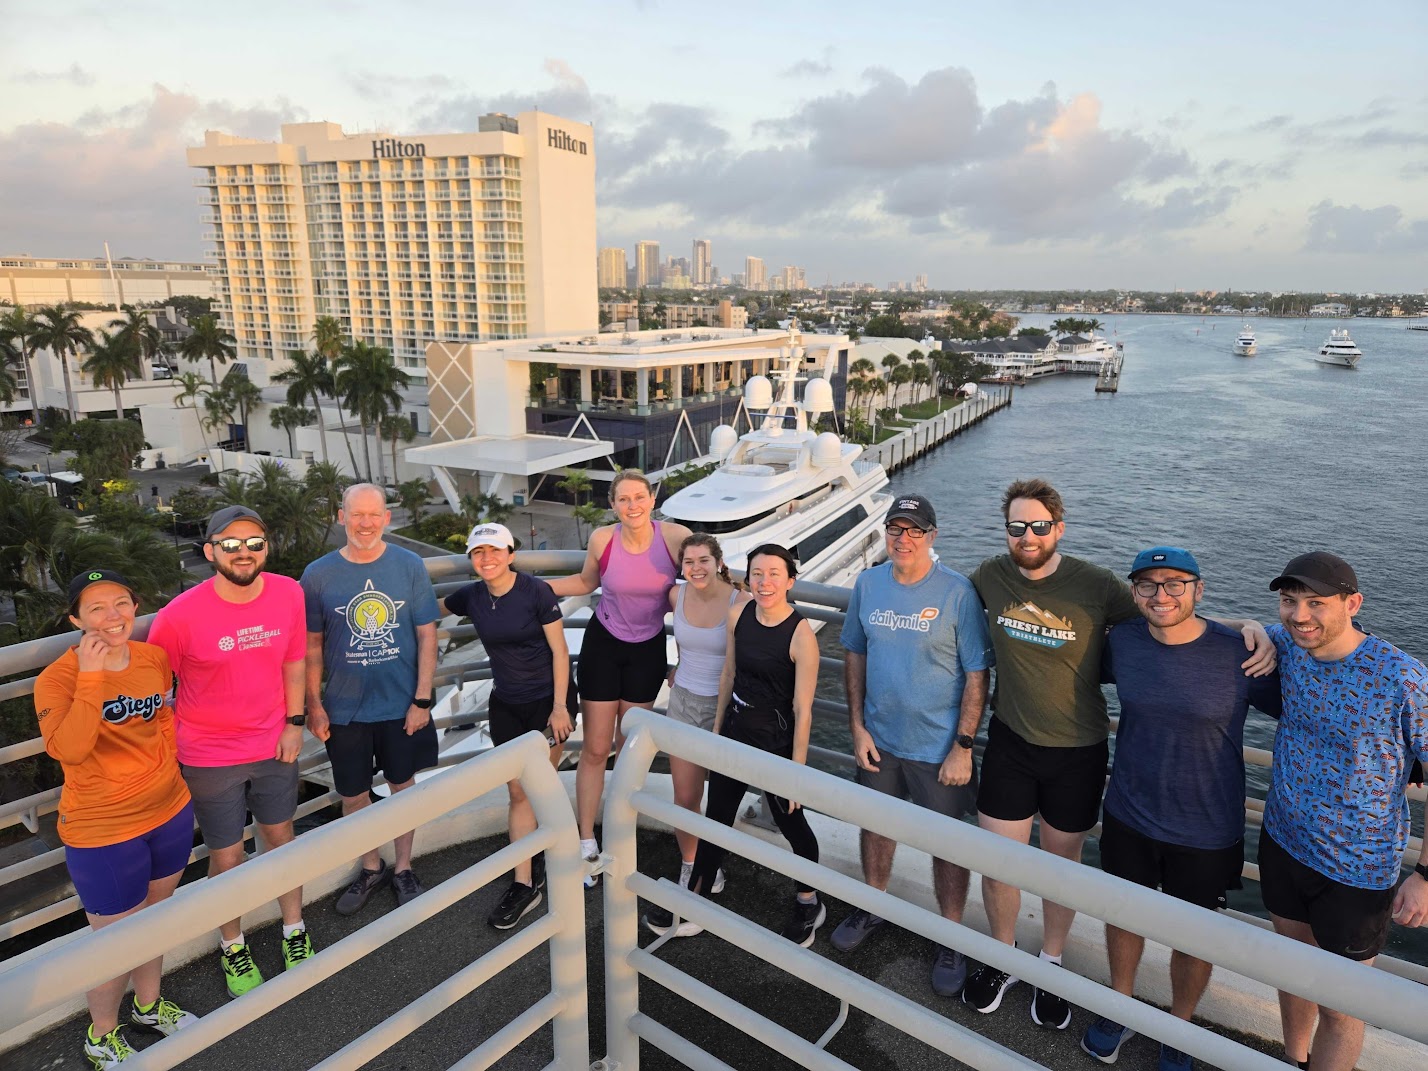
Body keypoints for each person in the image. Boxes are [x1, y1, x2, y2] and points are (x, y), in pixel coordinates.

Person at [963, 478, 1274, 1029]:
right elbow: (947, 602)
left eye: (1039, 525)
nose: (1028, 535)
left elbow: (1174, 624)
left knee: (1064, 868)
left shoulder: (1098, 584)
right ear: (1006, 530)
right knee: (998, 864)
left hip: (1078, 751)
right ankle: (1002, 956)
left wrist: (1261, 630)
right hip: (1010, 739)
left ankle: (1051, 964)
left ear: (1058, 527)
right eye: (1017, 526)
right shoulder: (991, 574)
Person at [1080, 548, 1282, 1071]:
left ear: (1199, 589)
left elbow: (1310, 697)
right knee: (1124, 918)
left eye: (1175, 584)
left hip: (1207, 828)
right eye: (1147, 585)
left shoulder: (1240, 654)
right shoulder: (1122, 642)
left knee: (1195, 935)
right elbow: (1064, 654)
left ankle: (1179, 1027)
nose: (1161, 595)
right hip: (1128, 812)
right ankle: (1118, 1005)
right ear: (1133, 594)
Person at [1257, 552, 1427, 1071]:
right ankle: (1293, 1059)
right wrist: (1255, 630)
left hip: (1356, 869)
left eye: (1316, 602)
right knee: (1292, 972)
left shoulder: (1404, 677)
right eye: (1290, 601)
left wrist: (1424, 874)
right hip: (1282, 842)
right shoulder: (1288, 642)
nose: (1300, 614)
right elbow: (1247, 627)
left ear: (1352, 604)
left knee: (1340, 1003)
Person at [148, 505, 315, 999]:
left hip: (273, 742)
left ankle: (294, 930)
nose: (245, 553)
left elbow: (294, 660)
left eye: (255, 543)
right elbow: (155, 689)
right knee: (227, 855)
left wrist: (295, 722)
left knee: (281, 837)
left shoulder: (288, 592)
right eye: (231, 544)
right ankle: (233, 944)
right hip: (207, 754)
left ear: (267, 548)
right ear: (210, 552)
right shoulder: (179, 616)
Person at [34, 569, 200, 1068]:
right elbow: (69, 748)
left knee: (155, 921)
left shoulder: (152, 657)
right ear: (76, 620)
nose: (113, 617)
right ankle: (100, 1035)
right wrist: (91, 677)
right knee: (113, 945)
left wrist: (170, 772)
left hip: (168, 809)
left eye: (122, 603)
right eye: (97, 609)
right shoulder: (57, 679)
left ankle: (148, 1007)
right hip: (103, 830)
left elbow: (162, 719)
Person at [831, 494, 993, 1000]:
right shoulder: (869, 583)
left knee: (947, 846)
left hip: (938, 748)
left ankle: (950, 936)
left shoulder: (958, 593)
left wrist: (963, 746)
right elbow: (854, 656)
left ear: (933, 536)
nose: (904, 540)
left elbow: (976, 675)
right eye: (895, 529)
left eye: (915, 531)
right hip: (879, 739)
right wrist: (857, 728)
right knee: (876, 827)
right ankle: (873, 903)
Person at [643, 543, 825, 946]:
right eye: (757, 574)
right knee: (716, 818)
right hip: (736, 735)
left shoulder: (801, 635)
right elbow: (728, 675)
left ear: (790, 581)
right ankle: (697, 899)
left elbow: (803, 709)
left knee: (792, 823)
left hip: (776, 746)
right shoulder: (738, 614)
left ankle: (809, 899)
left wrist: (796, 772)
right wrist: (719, 730)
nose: (765, 582)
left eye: (774, 574)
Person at [301, 484, 440, 916]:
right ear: (340, 517)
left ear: (387, 518)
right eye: (355, 514)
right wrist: (314, 704)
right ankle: (370, 866)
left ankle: (402, 867)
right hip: (343, 710)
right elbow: (311, 646)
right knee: (354, 795)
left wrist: (422, 699)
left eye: (373, 514)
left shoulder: (409, 565)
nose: (364, 523)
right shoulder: (317, 574)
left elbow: (427, 634)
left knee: (403, 788)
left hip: (401, 707)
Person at [547, 470, 691, 884]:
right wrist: (534, 588)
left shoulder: (674, 537)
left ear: (652, 499)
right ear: (613, 505)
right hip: (603, 645)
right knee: (594, 749)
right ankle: (586, 840)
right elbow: (586, 582)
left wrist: (683, 657)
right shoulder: (602, 539)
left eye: (639, 498)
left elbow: (696, 593)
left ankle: (618, 837)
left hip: (648, 650)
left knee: (627, 751)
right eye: (623, 499)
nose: (632, 506)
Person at [439, 521, 573, 929]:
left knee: (537, 788)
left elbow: (560, 652)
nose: (487, 559)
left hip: (547, 704)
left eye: (495, 551)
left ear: (511, 554)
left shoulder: (536, 591)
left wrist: (561, 707)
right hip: (506, 703)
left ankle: (543, 866)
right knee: (516, 791)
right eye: (479, 553)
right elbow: (428, 611)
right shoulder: (472, 596)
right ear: (471, 559)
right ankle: (526, 880)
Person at [665, 533, 749, 889]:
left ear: (718, 563)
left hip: (724, 709)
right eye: (689, 562)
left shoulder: (740, 601)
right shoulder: (675, 594)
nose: (696, 568)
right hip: (682, 701)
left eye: (703, 561)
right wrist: (677, 666)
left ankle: (712, 860)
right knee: (685, 797)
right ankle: (691, 864)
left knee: (720, 799)